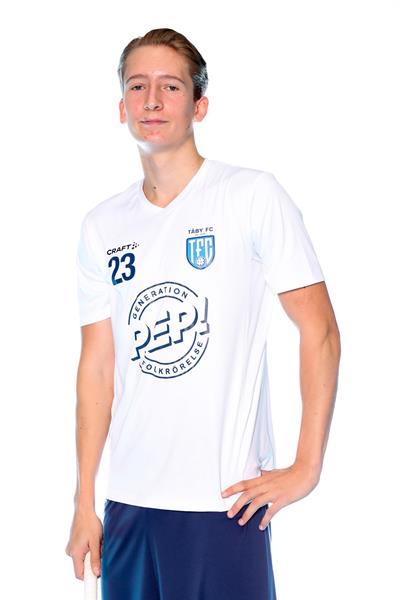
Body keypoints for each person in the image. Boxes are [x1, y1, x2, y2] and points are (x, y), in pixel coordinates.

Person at [65, 27, 341, 600]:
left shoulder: (250, 196)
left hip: (225, 504)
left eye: (170, 86)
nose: (152, 100)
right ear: (121, 106)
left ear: (199, 105)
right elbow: (97, 367)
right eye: (137, 86)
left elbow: (319, 330)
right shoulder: (102, 225)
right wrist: (84, 501)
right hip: (129, 506)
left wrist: (307, 466)